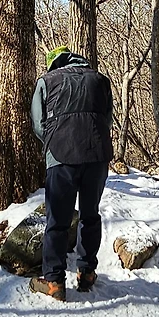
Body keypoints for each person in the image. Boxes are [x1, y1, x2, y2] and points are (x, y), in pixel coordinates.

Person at [28, 46, 115, 302]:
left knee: (57, 220)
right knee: (90, 215)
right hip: (97, 155)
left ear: (54, 63)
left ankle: (54, 281)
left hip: (61, 156)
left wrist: (53, 143)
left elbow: (38, 123)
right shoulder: (100, 80)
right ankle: (87, 273)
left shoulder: (46, 81)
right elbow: (107, 119)